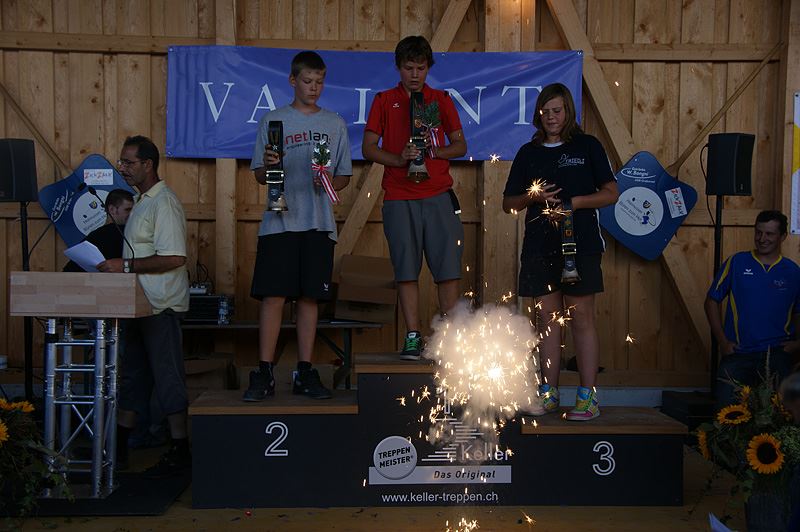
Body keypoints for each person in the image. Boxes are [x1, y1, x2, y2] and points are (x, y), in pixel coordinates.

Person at [502, 83, 618, 421]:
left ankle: (587, 397)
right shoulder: (528, 152)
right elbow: (508, 204)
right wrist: (533, 197)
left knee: (581, 318)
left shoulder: (587, 146)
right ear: (538, 114)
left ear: (568, 112)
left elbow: (611, 193)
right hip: (540, 246)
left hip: (581, 245)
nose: (551, 117)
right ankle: (549, 393)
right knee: (548, 321)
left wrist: (574, 203)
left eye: (557, 111)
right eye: (545, 112)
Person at [243, 51, 352, 402]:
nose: (314, 87)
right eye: (307, 81)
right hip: (279, 221)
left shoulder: (334, 123)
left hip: (318, 223)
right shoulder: (273, 120)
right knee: (273, 296)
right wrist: (269, 164)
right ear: (293, 81)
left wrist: (327, 181)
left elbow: (344, 175)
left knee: (309, 298)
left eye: (319, 81)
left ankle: (305, 370)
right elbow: (261, 175)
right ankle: (264, 372)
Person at [362, 35, 467, 360]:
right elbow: (368, 148)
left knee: (447, 269)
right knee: (406, 270)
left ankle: (449, 338)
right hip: (398, 196)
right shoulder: (384, 100)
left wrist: (433, 150)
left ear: (428, 68)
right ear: (399, 67)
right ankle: (412, 335)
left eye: (421, 68)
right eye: (409, 67)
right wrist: (399, 158)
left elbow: (460, 146)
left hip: (438, 194)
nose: (415, 74)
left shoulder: (440, 100)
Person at [97, 135, 191, 477]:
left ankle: (181, 449)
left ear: (148, 165)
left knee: (167, 376)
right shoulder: (141, 202)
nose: (122, 168)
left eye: (129, 162)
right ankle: (119, 449)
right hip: (138, 305)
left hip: (160, 306)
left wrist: (123, 266)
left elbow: (175, 257)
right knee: (133, 378)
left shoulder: (163, 203)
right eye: (121, 162)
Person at [705, 210, 800, 411]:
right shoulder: (736, 262)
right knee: (725, 416)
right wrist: (722, 341)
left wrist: (796, 344)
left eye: (769, 234)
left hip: (777, 355)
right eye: (758, 232)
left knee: (781, 417)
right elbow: (711, 301)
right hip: (739, 353)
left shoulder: (793, 272)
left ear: (782, 236)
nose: (762, 239)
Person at [63, 188, 134, 272]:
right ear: (112, 209)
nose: (132, 214)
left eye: (134, 210)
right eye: (128, 210)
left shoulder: (94, 236)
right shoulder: (112, 233)